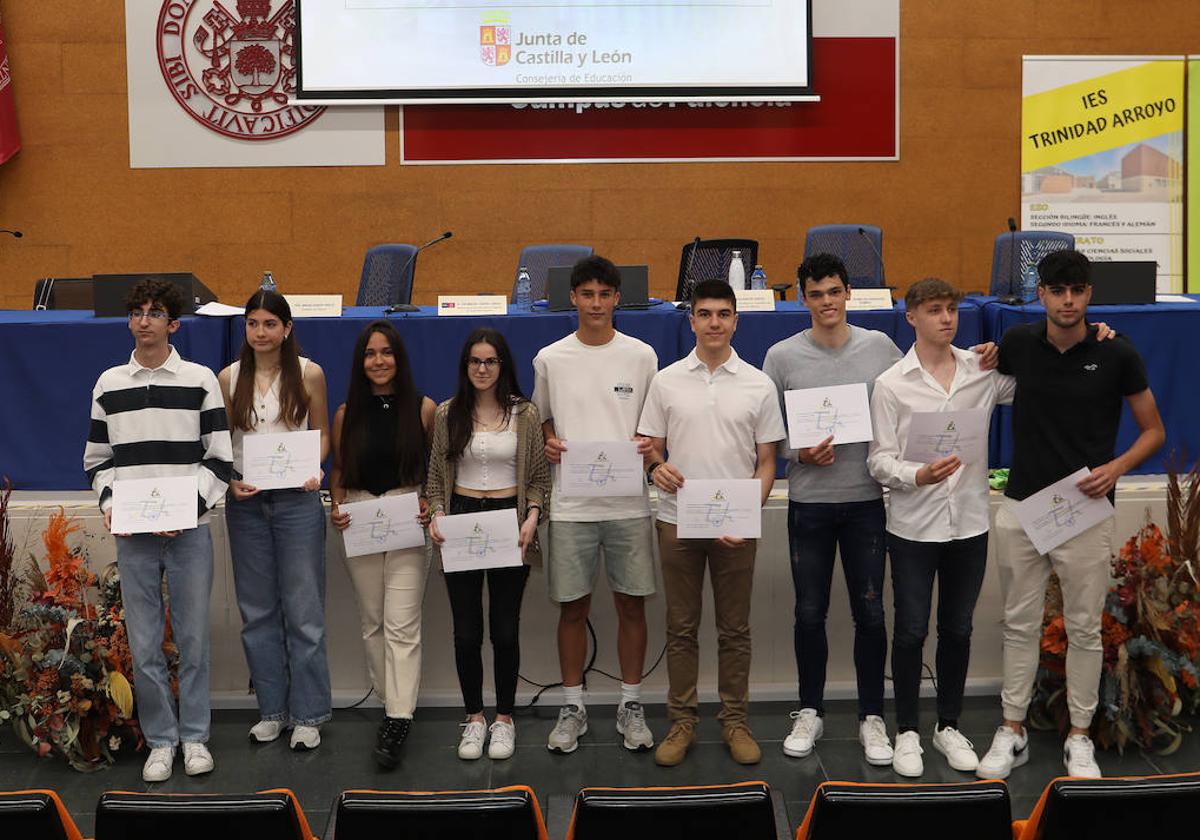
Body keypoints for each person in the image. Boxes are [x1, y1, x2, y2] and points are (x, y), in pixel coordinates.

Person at [763, 254, 1000, 766]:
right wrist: (798, 453)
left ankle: (873, 716)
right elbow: (768, 433)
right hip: (809, 503)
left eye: (834, 291)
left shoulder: (881, 350)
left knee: (871, 614)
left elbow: (910, 410)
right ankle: (810, 709)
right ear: (802, 299)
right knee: (809, 612)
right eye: (816, 293)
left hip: (869, 503)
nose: (827, 301)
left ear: (848, 293)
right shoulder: (781, 356)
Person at [978, 250, 1164, 780]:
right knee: (1018, 624)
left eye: (1076, 291)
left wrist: (1116, 468)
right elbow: (979, 375)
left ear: (1088, 294)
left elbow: (1154, 431)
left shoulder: (1117, 352)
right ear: (1040, 295)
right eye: (1057, 290)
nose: (1067, 300)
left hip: (1085, 509)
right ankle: (1011, 728)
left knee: (1084, 628)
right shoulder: (1016, 344)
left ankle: (1079, 736)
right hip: (1020, 506)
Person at [83, 277, 233, 782]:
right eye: (137, 312)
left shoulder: (200, 380)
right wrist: (110, 506)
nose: (144, 321)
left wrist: (183, 511)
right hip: (133, 537)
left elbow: (219, 459)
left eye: (155, 313)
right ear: (129, 321)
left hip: (188, 532)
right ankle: (162, 742)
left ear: (173, 324)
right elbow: (97, 462)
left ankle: (194, 738)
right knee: (144, 646)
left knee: (192, 641)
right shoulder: (108, 384)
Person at [867, 278, 1016, 777]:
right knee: (910, 630)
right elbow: (878, 461)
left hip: (969, 522)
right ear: (911, 317)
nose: (946, 318)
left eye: (952, 309)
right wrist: (916, 474)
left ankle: (947, 724)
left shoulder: (983, 371)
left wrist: (1092, 337)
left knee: (958, 627)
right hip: (913, 525)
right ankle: (907, 728)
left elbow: (1042, 380)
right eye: (934, 310)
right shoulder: (892, 383)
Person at [638, 279, 786, 766]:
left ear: (736, 320)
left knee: (734, 629)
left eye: (724, 313)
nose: (715, 322)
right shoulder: (666, 380)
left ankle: (735, 721)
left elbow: (768, 462)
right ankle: (682, 722)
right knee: (681, 628)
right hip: (678, 521)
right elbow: (651, 448)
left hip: (735, 528)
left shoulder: (758, 383)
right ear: (692, 320)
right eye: (705, 314)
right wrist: (656, 466)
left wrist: (749, 515)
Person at [532, 255, 658, 754]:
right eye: (588, 294)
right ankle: (573, 707)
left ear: (617, 299)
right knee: (572, 608)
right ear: (574, 299)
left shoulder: (643, 356)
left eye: (605, 294)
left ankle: (631, 704)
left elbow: (654, 421)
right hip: (571, 504)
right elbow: (543, 420)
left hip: (628, 503)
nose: (597, 303)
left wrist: (647, 444)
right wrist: (549, 442)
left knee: (632, 604)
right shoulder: (550, 358)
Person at [427, 328, 550, 761]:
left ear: (503, 366)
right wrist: (438, 513)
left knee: (504, 629)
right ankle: (474, 717)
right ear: (465, 367)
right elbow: (435, 477)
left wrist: (532, 517)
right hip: (461, 519)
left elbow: (537, 477)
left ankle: (504, 719)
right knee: (466, 631)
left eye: (490, 361)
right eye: (475, 361)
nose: (482, 369)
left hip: (508, 523)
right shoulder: (447, 413)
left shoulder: (526, 414)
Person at [217, 290, 332, 751]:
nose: (260, 332)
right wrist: (230, 481)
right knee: (257, 613)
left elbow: (321, 436)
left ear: (287, 329)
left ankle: (307, 714)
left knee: (304, 613)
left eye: (269, 324)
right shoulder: (228, 377)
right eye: (252, 324)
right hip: (247, 505)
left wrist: (315, 469)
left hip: (297, 505)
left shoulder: (309, 373)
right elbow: (221, 445)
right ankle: (272, 710)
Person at [330, 320, 436, 769]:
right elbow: (339, 472)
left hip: (406, 516)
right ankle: (391, 702)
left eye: (386, 352)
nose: (378, 361)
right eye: (370, 354)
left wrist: (429, 503)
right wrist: (336, 505)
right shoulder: (344, 412)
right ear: (360, 362)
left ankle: (398, 719)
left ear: (400, 358)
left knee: (401, 624)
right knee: (373, 622)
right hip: (360, 517)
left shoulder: (424, 407)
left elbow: (434, 472)